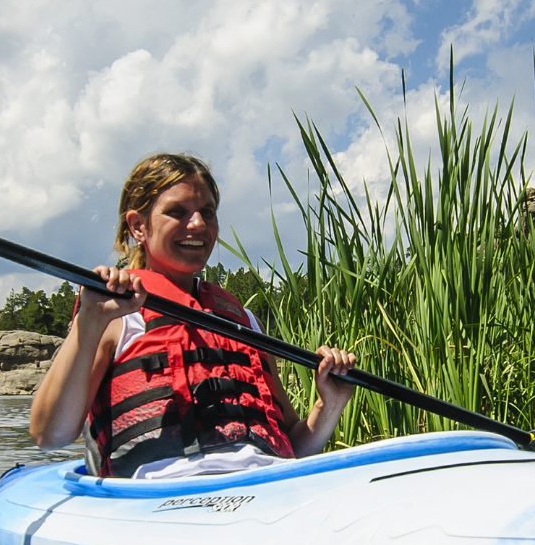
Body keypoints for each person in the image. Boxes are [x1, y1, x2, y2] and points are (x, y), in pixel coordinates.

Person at [30, 153, 356, 479]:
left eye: (207, 213)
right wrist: (90, 321)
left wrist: (328, 407)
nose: (198, 224)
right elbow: (50, 435)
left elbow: (291, 449)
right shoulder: (112, 314)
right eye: (178, 212)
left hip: (265, 487)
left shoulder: (244, 322)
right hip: (161, 499)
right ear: (138, 225)